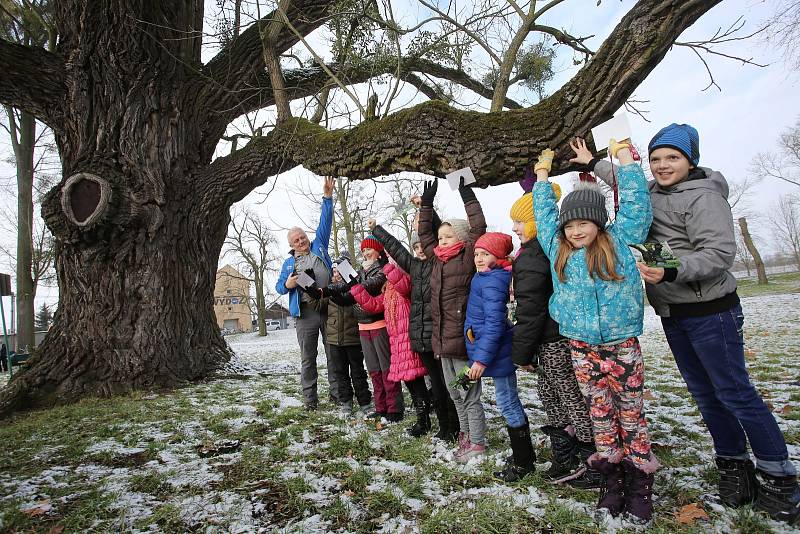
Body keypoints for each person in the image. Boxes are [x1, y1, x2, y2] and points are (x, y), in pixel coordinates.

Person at [577, 125, 800, 524]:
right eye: (657, 158)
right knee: (705, 395)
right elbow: (624, 180)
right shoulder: (651, 192)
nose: (663, 166)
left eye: (673, 158)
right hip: (675, 313)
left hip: (711, 310)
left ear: (690, 160)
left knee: (734, 392)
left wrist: (670, 271)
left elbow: (718, 253)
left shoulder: (705, 196)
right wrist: (594, 162)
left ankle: (778, 476)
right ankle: (734, 466)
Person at [533, 142, 658, 522]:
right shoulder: (559, 250)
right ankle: (612, 483)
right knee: (600, 416)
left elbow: (636, 203)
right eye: (569, 225)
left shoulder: (619, 241)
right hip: (582, 349)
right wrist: (541, 175)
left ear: (598, 222)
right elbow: (542, 215)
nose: (575, 231)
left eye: (582, 223)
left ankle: (640, 487)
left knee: (630, 416)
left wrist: (624, 158)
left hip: (622, 346)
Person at [509, 183, 600, 488]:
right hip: (546, 340)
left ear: (534, 222)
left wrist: (521, 353)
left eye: (519, 222)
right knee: (551, 397)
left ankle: (593, 460)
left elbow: (530, 309)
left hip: (554, 340)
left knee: (570, 398)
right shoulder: (535, 252)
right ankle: (566, 455)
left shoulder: (533, 257)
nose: (514, 228)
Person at [370, 213, 461, 441]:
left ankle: (456, 425)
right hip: (416, 336)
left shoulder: (434, 265)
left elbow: (436, 237)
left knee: (447, 383)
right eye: (416, 247)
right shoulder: (413, 268)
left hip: (437, 335)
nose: (420, 250)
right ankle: (443, 425)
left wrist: (426, 209)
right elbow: (397, 249)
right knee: (435, 385)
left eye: (423, 246)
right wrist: (377, 230)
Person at [418, 178, 487, 462]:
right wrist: (425, 205)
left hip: (463, 339)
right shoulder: (437, 260)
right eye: (441, 236)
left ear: (460, 239)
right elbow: (425, 236)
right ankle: (465, 436)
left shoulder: (467, 256)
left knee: (469, 394)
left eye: (448, 236)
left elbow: (478, 226)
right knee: (453, 393)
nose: (442, 240)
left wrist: (464, 191)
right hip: (441, 339)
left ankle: (478, 442)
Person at [462, 231, 534, 479]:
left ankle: (524, 462)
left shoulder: (492, 281)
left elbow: (494, 324)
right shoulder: (485, 277)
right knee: (507, 401)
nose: (479, 259)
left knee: (507, 402)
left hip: (496, 353)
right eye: (477, 254)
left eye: (486, 254)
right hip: (489, 349)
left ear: (499, 256)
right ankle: (524, 455)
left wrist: (481, 359)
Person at [351, 229, 431, 435]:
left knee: (416, 381)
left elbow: (402, 285)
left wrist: (387, 264)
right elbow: (374, 304)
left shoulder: (403, 282)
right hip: (398, 342)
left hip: (408, 339)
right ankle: (419, 417)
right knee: (409, 381)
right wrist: (356, 289)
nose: (366, 253)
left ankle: (420, 417)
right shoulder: (388, 290)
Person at [319, 236, 405, 421]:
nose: (366, 253)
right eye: (364, 250)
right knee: (374, 369)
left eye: (369, 249)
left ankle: (394, 408)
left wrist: (349, 283)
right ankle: (381, 406)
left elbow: (363, 287)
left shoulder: (382, 271)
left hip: (379, 324)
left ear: (378, 251)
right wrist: (325, 291)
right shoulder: (362, 271)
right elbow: (348, 290)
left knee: (385, 368)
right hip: (363, 326)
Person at [275, 177, 337, 411]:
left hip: (328, 306)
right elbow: (279, 287)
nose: (301, 241)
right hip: (305, 314)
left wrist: (327, 198)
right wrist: (289, 284)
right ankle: (310, 400)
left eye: (302, 237)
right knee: (308, 358)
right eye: (296, 240)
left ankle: (337, 393)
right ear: (291, 245)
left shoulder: (319, 245)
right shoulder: (289, 263)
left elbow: (325, 222)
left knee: (334, 355)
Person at [324, 253, 373, 416]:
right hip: (334, 339)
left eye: (339, 271)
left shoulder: (354, 289)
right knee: (340, 373)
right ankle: (346, 403)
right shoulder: (329, 289)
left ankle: (365, 402)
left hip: (353, 338)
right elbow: (317, 303)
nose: (336, 275)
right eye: (334, 272)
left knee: (358, 372)